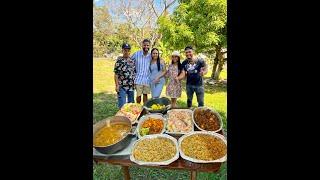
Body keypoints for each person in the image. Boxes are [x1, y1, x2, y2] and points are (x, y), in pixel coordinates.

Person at [114, 43, 136, 108]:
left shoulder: (132, 61)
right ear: (122, 51)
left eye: (128, 50)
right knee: (122, 105)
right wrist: (117, 85)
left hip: (131, 87)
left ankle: (130, 118)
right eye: (125, 50)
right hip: (122, 87)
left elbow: (134, 73)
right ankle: (121, 117)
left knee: (131, 105)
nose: (127, 52)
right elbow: (116, 74)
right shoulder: (119, 61)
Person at [131, 39, 152, 104]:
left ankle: (145, 110)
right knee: (138, 96)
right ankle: (138, 109)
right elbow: (129, 61)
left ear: (149, 46)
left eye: (147, 45)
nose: (146, 47)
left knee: (145, 96)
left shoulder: (151, 56)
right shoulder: (136, 54)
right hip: (138, 79)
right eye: (144, 45)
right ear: (142, 45)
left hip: (147, 79)